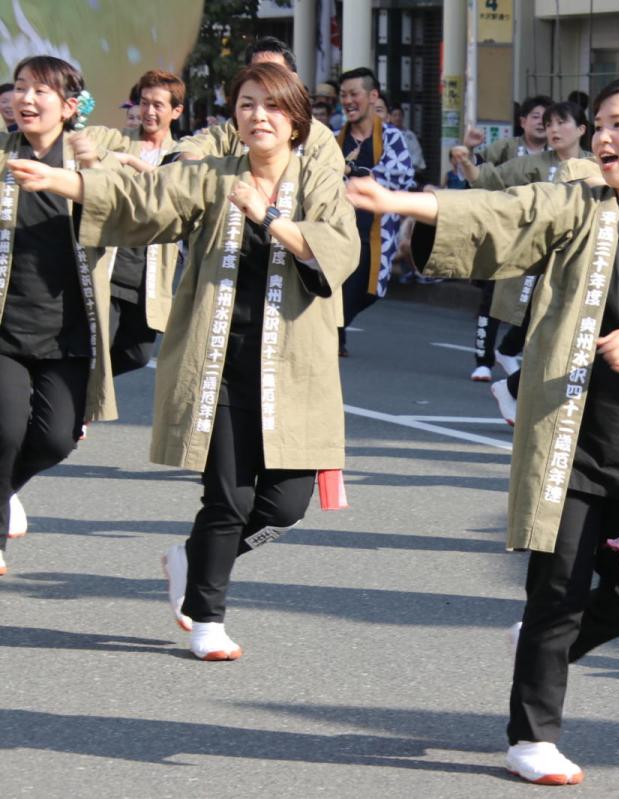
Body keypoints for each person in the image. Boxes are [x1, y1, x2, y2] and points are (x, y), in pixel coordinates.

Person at [347, 65, 619, 786]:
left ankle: (542, 645)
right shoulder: (578, 202)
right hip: (570, 436)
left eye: (618, 125)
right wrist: (405, 201)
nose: (602, 138)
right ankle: (532, 733)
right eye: (598, 127)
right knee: (555, 589)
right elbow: (510, 212)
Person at [12, 61, 359, 660]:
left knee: (284, 506)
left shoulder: (318, 179)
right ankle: (206, 616)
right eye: (247, 104)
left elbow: (338, 250)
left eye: (272, 106)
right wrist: (68, 183)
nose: (258, 116)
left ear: (297, 121)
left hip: (295, 371)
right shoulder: (215, 176)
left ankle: (190, 558)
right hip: (219, 360)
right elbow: (147, 201)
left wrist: (269, 217)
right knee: (228, 498)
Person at [0, 56, 120, 576]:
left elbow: (127, 211)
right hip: (5, 328)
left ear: (70, 107)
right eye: (21, 88)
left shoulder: (90, 163)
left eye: (40, 91)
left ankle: (5, 492)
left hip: (69, 332)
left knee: (54, 439)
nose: (26, 99)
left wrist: (87, 174)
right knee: (4, 431)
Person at [452, 101, 592, 415]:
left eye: (561, 123)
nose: (553, 129)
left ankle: (512, 366)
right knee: (534, 318)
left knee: (559, 328)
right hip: (537, 257)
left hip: (578, 261)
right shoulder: (533, 163)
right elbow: (489, 179)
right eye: (550, 123)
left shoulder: (594, 165)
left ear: (582, 129)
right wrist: (466, 160)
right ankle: (512, 378)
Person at [88, 70, 187, 377]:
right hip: (111, 266)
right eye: (144, 103)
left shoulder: (183, 153)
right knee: (96, 351)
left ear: (176, 110)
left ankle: (77, 400)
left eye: (158, 105)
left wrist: (131, 163)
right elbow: (85, 147)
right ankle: (77, 412)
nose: (149, 111)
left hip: (151, 276)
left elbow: (173, 190)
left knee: (137, 354)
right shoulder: (118, 140)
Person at [175, 37, 344, 177]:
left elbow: (327, 197)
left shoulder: (319, 138)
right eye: (257, 74)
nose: (264, 81)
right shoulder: (235, 128)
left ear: (293, 80)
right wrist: (190, 160)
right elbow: (193, 147)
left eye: (274, 73)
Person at [335, 67, 415, 356]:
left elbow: (402, 176)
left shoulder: (392, 138)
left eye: (354, 94)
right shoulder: (333, 139)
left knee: (371, 291)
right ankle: (333, 335)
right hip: (338, 230)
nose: (348, 100)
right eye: (343, 95)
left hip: (378, 230)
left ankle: (336, 329)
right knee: (339, 286)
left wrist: (356, 171)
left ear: (372, 96)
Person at [464, 94, 552, 165]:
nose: (541, 122)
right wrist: (469, 148)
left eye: (546, 117)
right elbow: (476, 167)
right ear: (523, 122)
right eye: (536, 117)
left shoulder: (558, 150)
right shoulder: (505, 147)